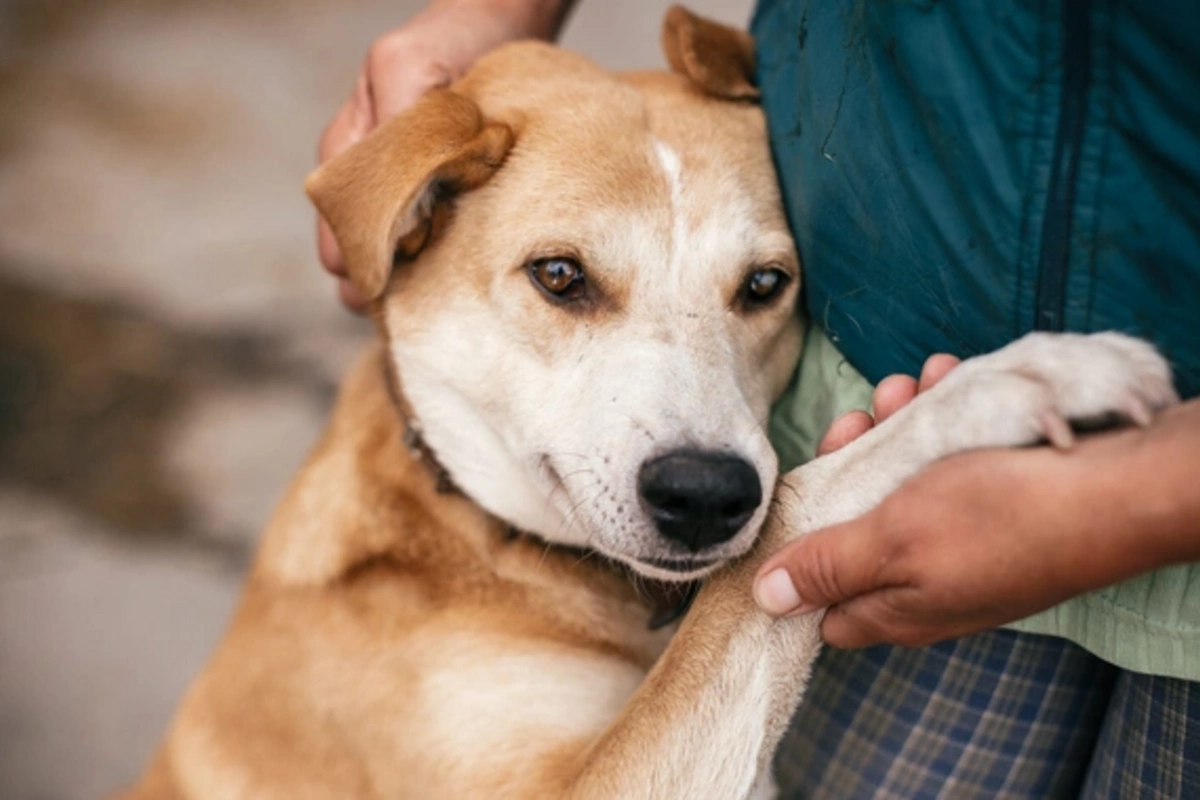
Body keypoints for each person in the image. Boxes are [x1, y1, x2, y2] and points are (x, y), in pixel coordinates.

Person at [315, 1, 1200, 795]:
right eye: (564, 278)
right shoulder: (362, 607)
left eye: (759, 286)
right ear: (417, 216)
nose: (696, 445)